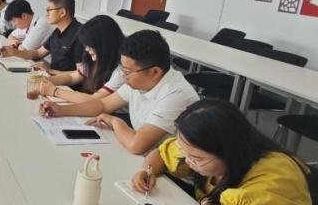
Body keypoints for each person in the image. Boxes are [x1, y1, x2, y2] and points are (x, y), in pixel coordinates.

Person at [131, 99, 312, 205]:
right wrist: (146, 171)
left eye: (197, 158)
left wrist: (207, 203)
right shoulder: (199, 148)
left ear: (229, 151)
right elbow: (161, 154)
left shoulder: (274, 176)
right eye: (185, 153)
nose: (187, 161)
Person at [40, 30, 200, 154]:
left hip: (173, 176)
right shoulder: (139, 80)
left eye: (127, 71)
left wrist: (115, 122)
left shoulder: (176, 94)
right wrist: (61, 110)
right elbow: (103, 104)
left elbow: (137, 145)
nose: (123, 75)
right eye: (123, 68)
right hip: (145, 157)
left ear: (155, 72)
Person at [34, 15, 123, 102]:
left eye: (90, 45)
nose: (87, 49)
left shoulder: (121, 71)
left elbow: (95, 100)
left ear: (104, 44)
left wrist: (54, 91)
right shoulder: (95, 60)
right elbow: (72, 77)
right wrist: (46, 80)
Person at [0, 0, 83, 74]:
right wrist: (14, 52)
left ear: (62, 12)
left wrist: (50, 71)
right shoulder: (57, 31)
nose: (47, 14)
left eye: (49, 10)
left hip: (63, 82)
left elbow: (81, 74)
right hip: (53, 77)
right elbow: (38, 53)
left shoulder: (80, 34)